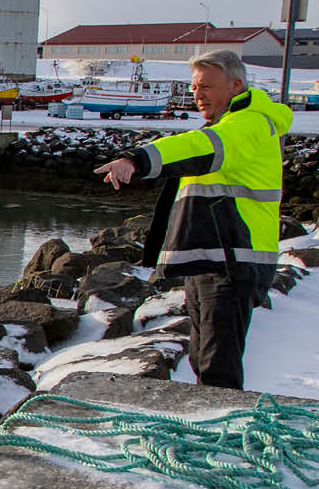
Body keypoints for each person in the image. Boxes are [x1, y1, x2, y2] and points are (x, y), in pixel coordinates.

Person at [93, 49, 290, 389]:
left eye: (207, 87)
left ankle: (217, 434)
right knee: (203, 358)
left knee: (218, 365)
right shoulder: (229, 124)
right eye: (195, 87)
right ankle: (209, 426)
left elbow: (197, 147)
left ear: (236, 85)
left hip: (232, 262)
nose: (198, 95)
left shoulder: (249, 124)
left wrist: (138, 160)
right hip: (211, 260)